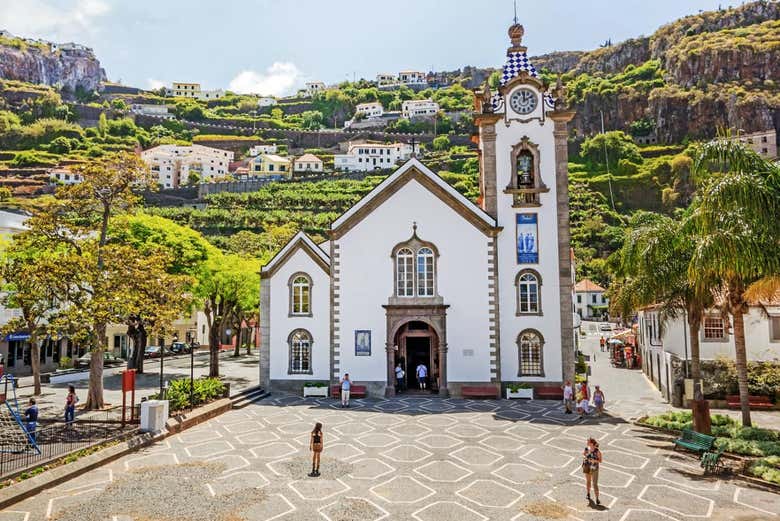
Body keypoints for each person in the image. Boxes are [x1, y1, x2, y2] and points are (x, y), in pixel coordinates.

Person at [582, 437, 603, 505]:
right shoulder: (586, 448)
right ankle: (588, 493)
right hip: (587, 466)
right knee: (588, 481)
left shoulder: (597, 451)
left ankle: (597, 498)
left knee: (595, 484)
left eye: (588, 441)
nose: (587, 442)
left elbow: (600, 460)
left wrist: (594, 460)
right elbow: (583, 454)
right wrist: (585, 457)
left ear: (591, 443)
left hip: (594, 468)